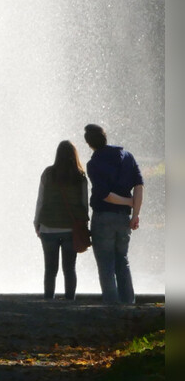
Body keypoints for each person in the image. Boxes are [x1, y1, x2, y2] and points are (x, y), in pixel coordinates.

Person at [84, 124, 143, 304]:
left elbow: (105, 195)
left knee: (106, 264)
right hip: (123, 218)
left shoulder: (93, 164)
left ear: (89, 144)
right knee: (122, 261)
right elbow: (139, 186)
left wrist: (128, 202)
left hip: (103, 218)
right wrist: (135, 213)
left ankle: (112, 306)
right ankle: (128, 303)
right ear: (105, 137)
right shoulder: (127, 157)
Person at [33, 141, 88, 300]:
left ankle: (48, 300)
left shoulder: (48, 174)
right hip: (71, 230)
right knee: (69, 269)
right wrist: (84, 227)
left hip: (48, 228)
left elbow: (41, 200)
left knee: (50, 269)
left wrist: (37, 222)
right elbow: (84, 204)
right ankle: (70, 300)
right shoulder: (80, 177)